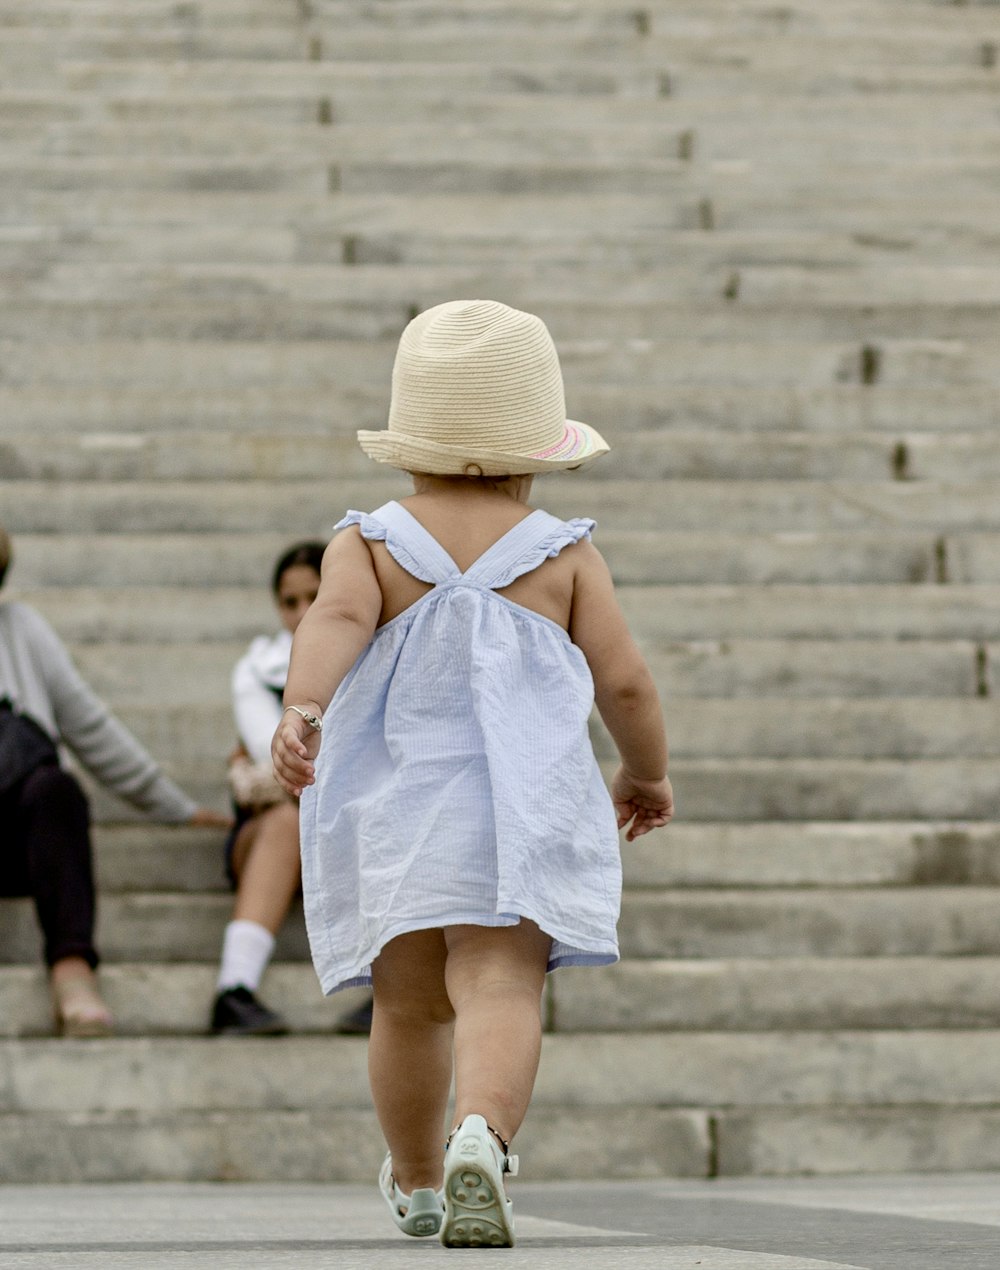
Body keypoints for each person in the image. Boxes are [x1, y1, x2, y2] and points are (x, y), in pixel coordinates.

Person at [272, 299, 673, 1248]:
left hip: (402, 811)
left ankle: (415, 1181)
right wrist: (646, 774)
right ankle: (481, 1140)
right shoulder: (564, 553)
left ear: (409, 442)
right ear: (538, 450)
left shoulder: (368, 542)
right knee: (500, 985)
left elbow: (329, 624)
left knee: (408, 1007)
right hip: (520, 814)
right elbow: (625, 680)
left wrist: (304, 710)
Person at [0, 525, 228, 1038]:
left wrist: (174, 806)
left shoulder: (21, 628)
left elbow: (90, 727)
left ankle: (72, 969)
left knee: (54, 789)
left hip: (17, 839)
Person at [210, 542, 374, 1037]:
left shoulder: (376, 654)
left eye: (315, 595)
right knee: (285, 822)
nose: (303, 612)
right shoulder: (256, 668)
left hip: (347, 825)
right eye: (289, 601)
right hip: (278, 829)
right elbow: (280, 755)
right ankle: (233, 990)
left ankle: (392, 985)